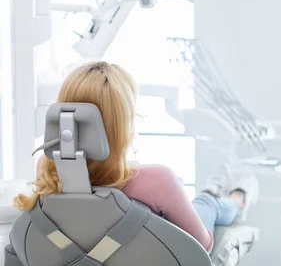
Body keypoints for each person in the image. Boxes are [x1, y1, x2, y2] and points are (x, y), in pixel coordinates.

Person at [14, 61, 258, 254]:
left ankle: (221, 191)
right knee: (206, 202)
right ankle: (238, 198)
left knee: (203, 199)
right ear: (122, 125)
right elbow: (203, 245)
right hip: (147, 265)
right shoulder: (155, 179)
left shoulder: (48, 170)